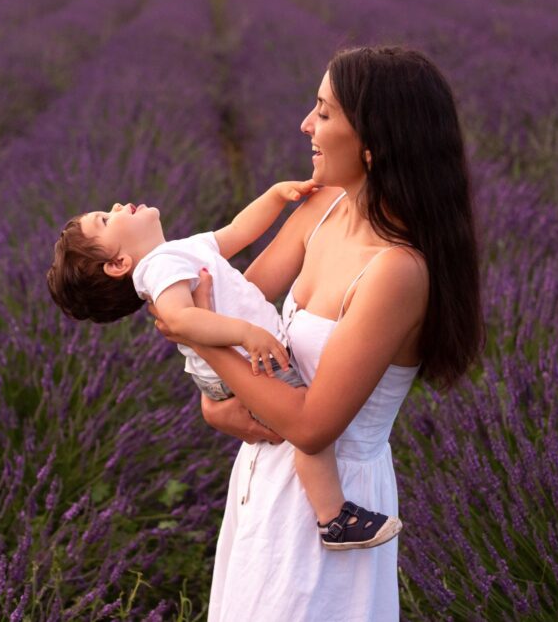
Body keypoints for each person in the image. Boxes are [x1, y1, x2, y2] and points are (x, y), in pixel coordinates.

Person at [149, 45, 484, 621]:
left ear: (376, 142)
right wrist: (208, 353)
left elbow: (309, 424)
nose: (306, 124)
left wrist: (201, 339)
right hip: (260, 488)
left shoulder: (396, 271)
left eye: (325, 113)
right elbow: (230, 318)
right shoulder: (321, 208)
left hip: (334, 515)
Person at [45, 180, 403, 550]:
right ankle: (333, 517)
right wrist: (245, 333)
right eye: (105, 220)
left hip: (240, 357)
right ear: (119, 263)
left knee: (301, 419)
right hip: (242, 362)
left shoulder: (176, 252)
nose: (118, 205)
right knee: (307, 428)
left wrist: (275, 196)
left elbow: (235, 232)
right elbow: (180, 320)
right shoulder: (156, 267)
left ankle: (332, 515)